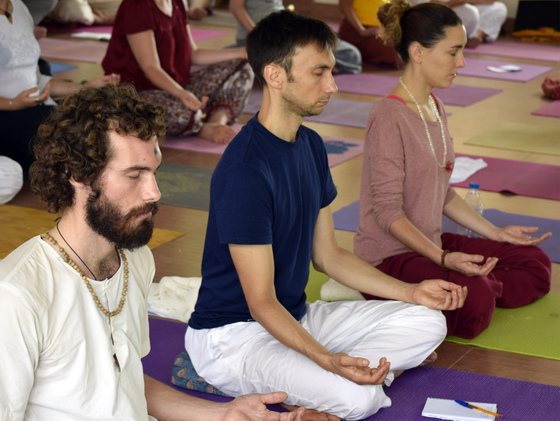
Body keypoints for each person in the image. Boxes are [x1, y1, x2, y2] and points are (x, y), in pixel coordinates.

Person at [186, 10, 467, 421]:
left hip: (298, 316)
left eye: (332, 71)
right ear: (275, 76)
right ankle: (348, 382)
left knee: (428, 320)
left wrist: (411, 292)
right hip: (235, 337)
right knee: (358, 401)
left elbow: (329, 257)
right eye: (319, 73)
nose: (332, 85)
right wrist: (327, 358)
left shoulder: (312, 146)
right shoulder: (245, 170)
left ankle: (339, 381)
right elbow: (261, 302)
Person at [0, 83, 306, 421]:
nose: (154, 193)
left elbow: (126, 383)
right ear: (78, 175)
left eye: (154, 171)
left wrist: (224, 414)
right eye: (134, 176)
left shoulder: (135, 260)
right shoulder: (17, 295)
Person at [354, 0, 551, 340]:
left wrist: (496, 234)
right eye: (453, 52)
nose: (462, 62)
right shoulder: (388, 116)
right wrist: (445, 259)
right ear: (418, 52)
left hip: (430, 241)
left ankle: (478, 285)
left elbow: (442, 191)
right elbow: (388, 212)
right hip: (390, 256)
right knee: (475, 306)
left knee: (535, 261)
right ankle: (472, 288)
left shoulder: (435, 104)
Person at [102, 0, 254, 144]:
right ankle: (200, 127)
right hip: (138, 92)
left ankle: (216, 121)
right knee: (178, 112)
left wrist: (241, 52)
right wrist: (181, 93)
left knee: (243, 66)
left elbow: (193, 54)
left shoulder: (177, 2)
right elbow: (150, 67)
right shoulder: (137, 5)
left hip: (176, 86)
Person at [0, 0, 119, 174]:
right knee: (73, 144)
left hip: (34, 107)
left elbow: (35, 80)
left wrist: (84, 87)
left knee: (97, 121)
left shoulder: (19, 8)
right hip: (7, 114)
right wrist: (13, 103)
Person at [229, 0, 362, 74]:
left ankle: (309, 66)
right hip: (260, 37)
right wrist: (257, 35)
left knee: (351, 54)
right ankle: (311, 66)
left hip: (286, 33)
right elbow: (236, 7)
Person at [408, 0, 507, 48]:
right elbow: (433, 5)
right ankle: (465, 37)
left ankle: (477, 35)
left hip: (461, 6)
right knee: (471, 13)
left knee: (499, 8)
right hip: (436, 10)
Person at [338, 0, 401, 68]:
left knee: (408, 44)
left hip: (382, 30)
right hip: (357, 31)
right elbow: (344, 6)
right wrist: (362, 30)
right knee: (396, 53)